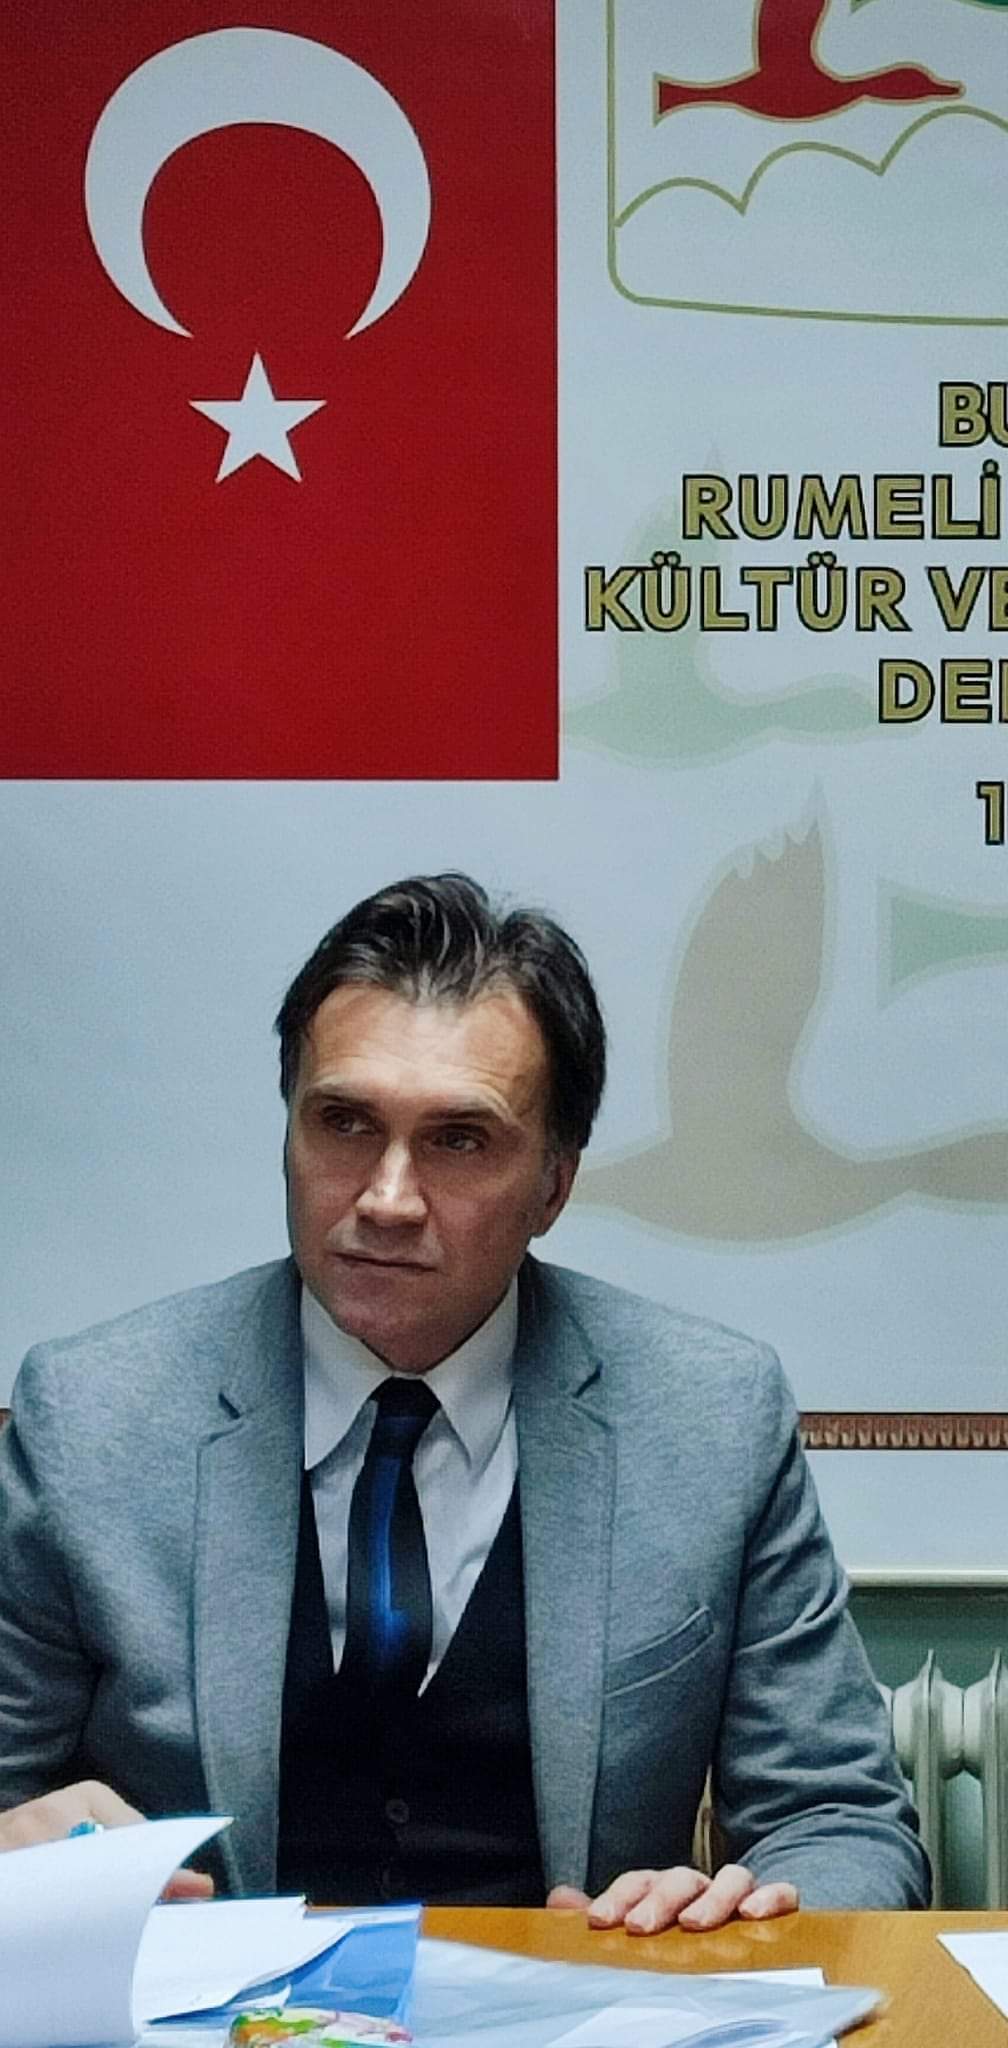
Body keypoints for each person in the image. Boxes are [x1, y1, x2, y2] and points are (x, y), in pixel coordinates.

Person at [0, 875, 928, 1927]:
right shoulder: (92, 1418)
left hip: (582, 2000)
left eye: (458, 1140)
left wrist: (744, 1917)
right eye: (344, 1122)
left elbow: (843, 1821)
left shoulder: (711, 1417)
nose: (387, 1198)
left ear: (554, 1186)